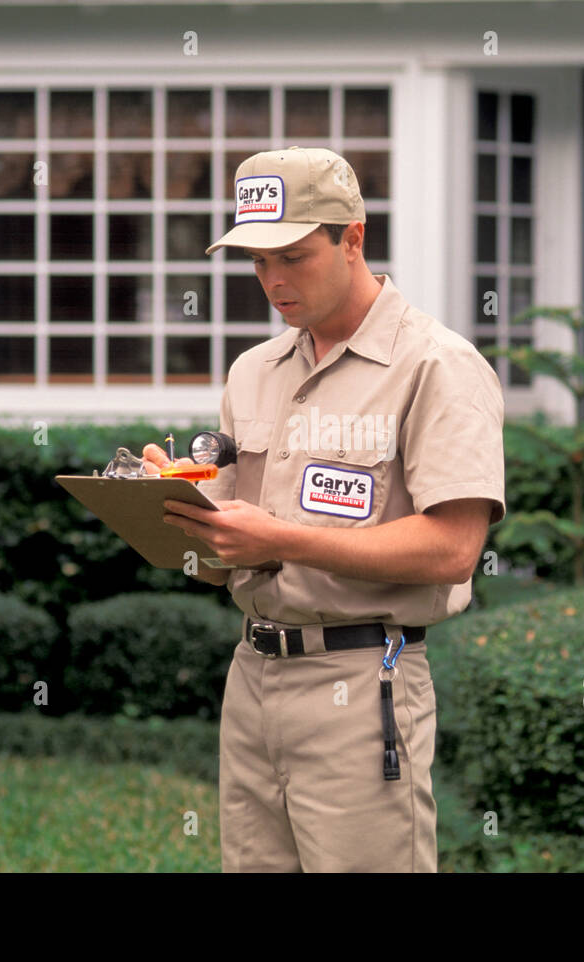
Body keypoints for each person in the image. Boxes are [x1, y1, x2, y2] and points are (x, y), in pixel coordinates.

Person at [140, 146, 505, 873]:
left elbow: (453, 550)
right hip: (252, 674)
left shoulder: (437, 365)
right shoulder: (254, 371)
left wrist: (281, 537)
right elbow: (228, 552)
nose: (273, 281)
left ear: (353, 238)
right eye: (255, 262)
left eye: (294, 256)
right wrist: (175, 509)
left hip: (364, 677)